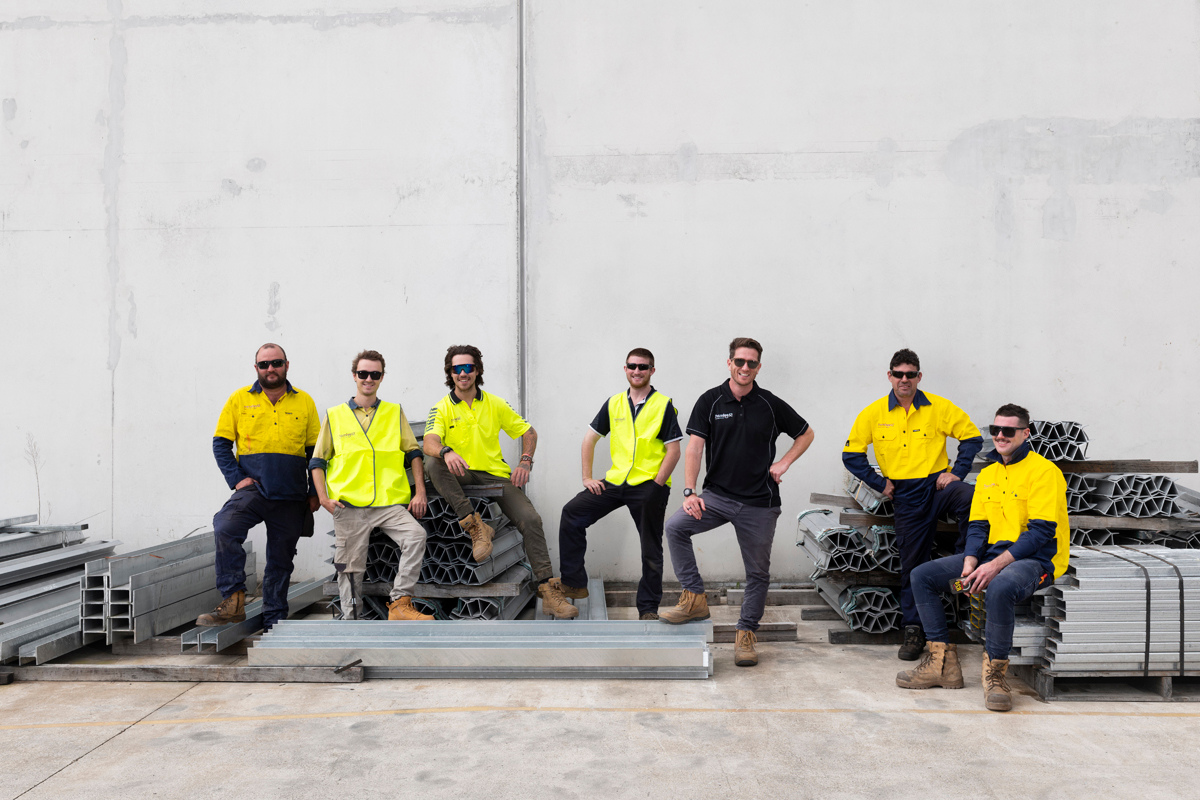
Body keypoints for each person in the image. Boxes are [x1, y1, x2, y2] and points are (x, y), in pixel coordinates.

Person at [896, 404, 1069, 712]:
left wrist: (994, 565)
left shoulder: (1045, 472)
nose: (1000, 435)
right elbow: (977, 525)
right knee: (922, 576)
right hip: (991, 555)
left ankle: (996, 675)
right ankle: (942, 665)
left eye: (1008, 430)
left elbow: (1041, 533)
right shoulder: (988, 474)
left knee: (1001, 587)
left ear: (1025, 433)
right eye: (995, 430)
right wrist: (970, 561)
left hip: (1036, 560)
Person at [661, 337, 814, 667]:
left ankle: (745, 634)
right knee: (675, 528)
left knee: (757, 573)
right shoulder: (711, 401)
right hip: (717, 496)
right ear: (729, 363)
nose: (745, 367)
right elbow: (695, 448)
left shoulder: (770, 404)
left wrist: (784, 462)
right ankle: (694, 597)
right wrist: (689, 492)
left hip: (760, 503)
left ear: (758, 367)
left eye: (752, 363)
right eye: (740, 361)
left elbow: (806, 433)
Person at [842, 348, 983, 660]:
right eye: (898, 374)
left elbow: (972, 437)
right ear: (889, 376)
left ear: (919, 377)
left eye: (910, 374)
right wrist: (880, 483)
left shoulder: (938, 407)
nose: (904, 379)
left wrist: (956, 472)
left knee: (970, 497)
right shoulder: (873, 413)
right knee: (912, 566)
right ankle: (914, 629)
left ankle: (965, 560)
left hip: (937, 485)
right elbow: (851, 455)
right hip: (905, 495)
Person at [422, 344, 578, 619]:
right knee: (433, 461)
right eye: (457, 368)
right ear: (450, 372)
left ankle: (548, 591)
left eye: (468, 367)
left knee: (531, 519)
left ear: (477, 370)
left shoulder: (494, 403)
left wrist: (525, 461)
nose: (463, 373)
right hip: (461, 472)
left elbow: (528, 431)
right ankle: (475, 525)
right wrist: (446, 451)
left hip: (494, 474)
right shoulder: (441, 408)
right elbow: (429, 442)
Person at [557, 348, 683, 621]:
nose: (637, 371)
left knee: (650, 548)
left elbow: (674, 451)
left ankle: (647, 608)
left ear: (652, 370)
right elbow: (589, 439)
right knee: (572, 513)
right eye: (632, 366)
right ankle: (574, 582)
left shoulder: (663, 405)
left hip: (649, 483)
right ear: (625, 369)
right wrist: (587, 478)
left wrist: (657, 484)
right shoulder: (614, 403)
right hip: (616, 480)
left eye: (643, 366)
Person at [200, 343, 320, 630]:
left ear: (286, 365)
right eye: (264, 364)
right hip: (254, 489)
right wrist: (237, 478)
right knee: (225, 527)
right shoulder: (239, 398)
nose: (270, 369)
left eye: (276, 363)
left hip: (291, 493)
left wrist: (315, 492)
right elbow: (221, 444)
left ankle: (274, 621)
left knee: (281, 559)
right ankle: (233, 600)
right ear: (256, 368)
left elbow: (316, 452)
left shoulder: (304, 401)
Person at [309, 349, 433, 621]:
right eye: (363, 373)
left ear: (382, 377)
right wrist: (324, 499)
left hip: (389, 504)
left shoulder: (393, 412)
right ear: (354, 376)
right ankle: (352, 617)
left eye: (374, 374)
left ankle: (399, 603)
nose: (368, 379)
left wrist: (420, 492)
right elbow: (317, 461)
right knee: (350, 568)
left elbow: (413, 453)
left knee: (416, 536)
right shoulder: (335, 415)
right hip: (349, 506)